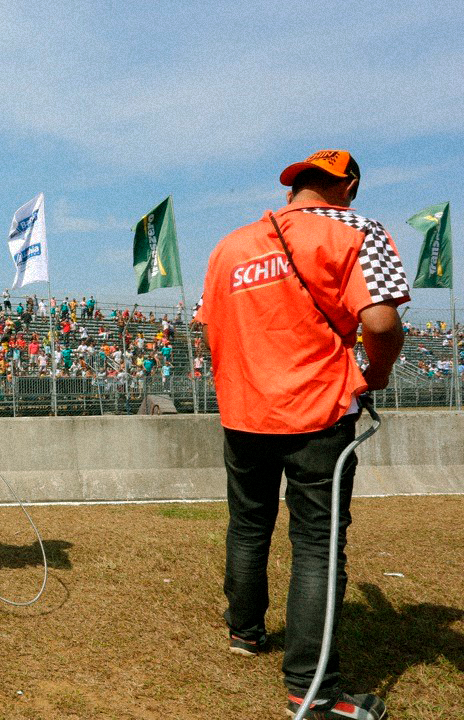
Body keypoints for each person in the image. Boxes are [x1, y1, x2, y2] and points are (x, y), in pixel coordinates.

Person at [195, 150, 407, 720]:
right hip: (317, 409)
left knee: (248, 523)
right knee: (316, 545)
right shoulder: (358, 231)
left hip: (244, 412)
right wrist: (374, 376)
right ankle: (312, 691)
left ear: (295, 187)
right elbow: (381, 322)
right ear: (350, 186)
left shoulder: (231, 245)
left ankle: (244, 631)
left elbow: (210, 326)